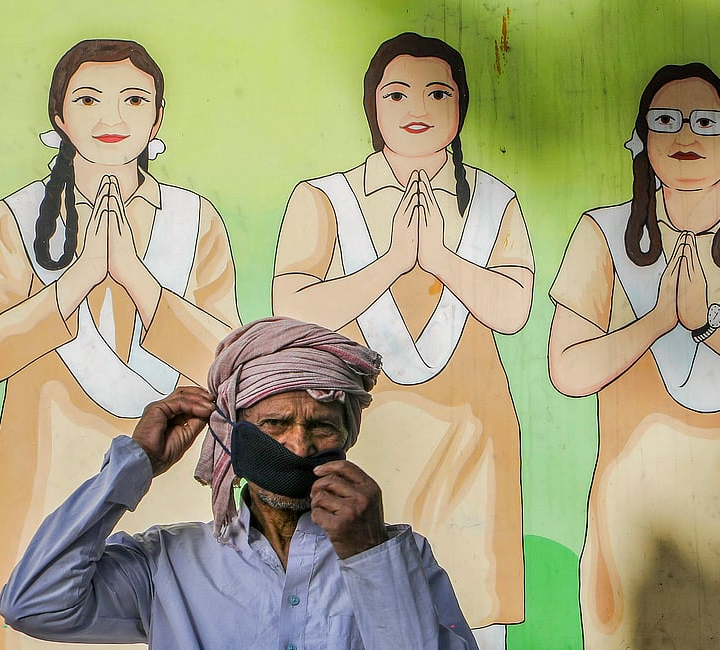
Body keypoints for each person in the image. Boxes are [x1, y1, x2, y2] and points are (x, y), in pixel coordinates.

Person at [0, 39, 240, 648]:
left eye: (134, 100)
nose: (111, 120)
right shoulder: (15, 216)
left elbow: (229, 364)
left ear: (157, 117)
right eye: (88, 101)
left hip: (171, 470)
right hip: (44, 469)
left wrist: (139, 282)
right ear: (60, 116)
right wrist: (81, 278)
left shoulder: (195, 219)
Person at [548, 62, 720, 647]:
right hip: (632, 532)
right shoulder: (601, 232)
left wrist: (711, 329)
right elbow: (568, 370)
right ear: (641, 139)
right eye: (666, 120)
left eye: (706, 122)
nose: (686, 137)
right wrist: (657, 321)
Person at [273, 33, 533, 646]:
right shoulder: (324, 198)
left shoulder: (495, 202)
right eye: (397, 94)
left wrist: (440, 256)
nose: (418, 107)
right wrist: (393, 260)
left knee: (475, 616)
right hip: (365, 441)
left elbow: (514, 309)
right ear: (373, 107)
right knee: (349, 609)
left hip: (473, 441)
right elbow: (292, 308)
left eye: (438, 93)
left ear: (462, 108)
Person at [0, 317, 477, 650]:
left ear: (348, 434)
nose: (299, 446)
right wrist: (136, 463)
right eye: (274, 424)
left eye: (322, 427)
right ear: (232, 433)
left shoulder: (402, 558)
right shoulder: (168, 566)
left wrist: (370, 557)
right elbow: (33, 603)